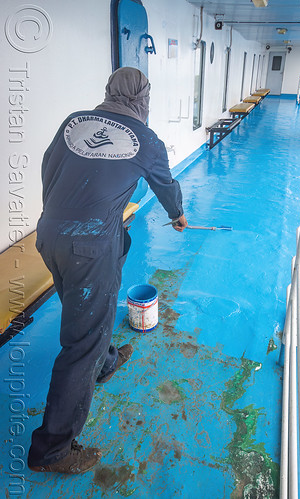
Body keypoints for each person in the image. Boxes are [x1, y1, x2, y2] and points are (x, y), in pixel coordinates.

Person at [28, 67, 187, 474]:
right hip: (89, 247)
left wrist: (69, 217)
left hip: (49, 234)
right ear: (144, 97)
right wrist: (178, 215)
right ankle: (52, 451)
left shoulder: (74, 122)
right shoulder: (147, 142)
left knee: (86, 315)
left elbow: (49, 170)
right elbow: (165, 186)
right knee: (81, 342)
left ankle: (107, 361)